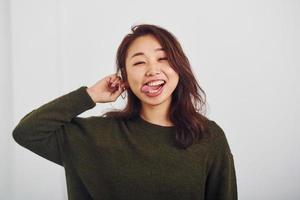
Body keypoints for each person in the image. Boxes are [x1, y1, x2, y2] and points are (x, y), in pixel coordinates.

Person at [12, 24, 237, 200]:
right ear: (125, 77)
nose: (152, 70)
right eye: (139, 62)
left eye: (163, 58)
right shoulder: (93, 137)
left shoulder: (208, 136)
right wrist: (89, 95)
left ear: (179, 67)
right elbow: (27, 132)